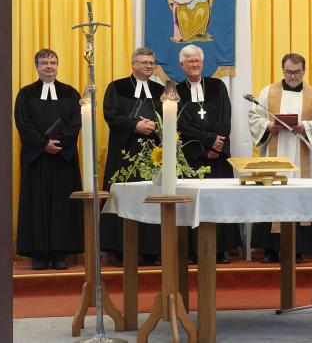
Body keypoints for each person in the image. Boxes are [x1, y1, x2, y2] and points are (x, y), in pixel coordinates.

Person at [248, 53, 312, 263]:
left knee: (298, 198)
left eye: (297, 72)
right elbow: (254, 116)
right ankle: (270, 249)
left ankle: (298, 249)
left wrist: (305, 126)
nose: (293, 76)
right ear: (282, 70)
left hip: (301, 154)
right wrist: (269, 126)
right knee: (273, 196)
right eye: (288, 72)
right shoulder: (268, 93)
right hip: (275, 155)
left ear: (304, 71)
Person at [14, 49, 84, 270]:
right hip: (37, 159)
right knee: (36, 203)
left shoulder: (70, 93)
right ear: (36, 66)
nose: (49, 66)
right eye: (44, 63)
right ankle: (39, 255)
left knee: (62, 206)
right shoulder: (25, 94)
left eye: (53, 62)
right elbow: (22, 124)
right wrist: (43, 144)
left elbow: (76, 123)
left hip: (63, 158)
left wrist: (58, 145)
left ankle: (60, 253)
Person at [100, 47, 166, 266]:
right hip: (124, 152)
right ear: (133, 64)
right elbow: (110, 114)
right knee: (123, 197)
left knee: (150, 199)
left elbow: (170, 116)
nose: (149, 66)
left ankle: (151, 250)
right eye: (144, 62)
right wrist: (135, 125)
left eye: (152, 63)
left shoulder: (159, 89)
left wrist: (155, 126)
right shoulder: (117, 87)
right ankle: (120, 250)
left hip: (151, 154)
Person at [176, 44, 241, 264]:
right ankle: (194, 250)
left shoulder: (217, 86)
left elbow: (225, 117)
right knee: (194, 203)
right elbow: (181, 125)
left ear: (202, 63)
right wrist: (207, 143)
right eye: (190, 61)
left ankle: (222, 249)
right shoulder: (176, 91)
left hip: (219, 157)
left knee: (220, 202)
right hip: (194, 157)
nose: (194, 64)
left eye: (197, 61)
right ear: (182, 65)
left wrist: (218, 144)